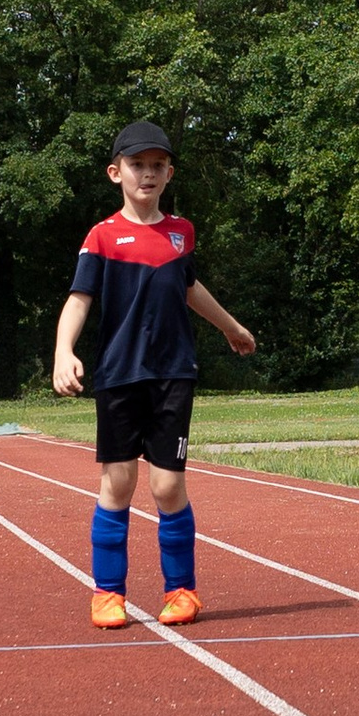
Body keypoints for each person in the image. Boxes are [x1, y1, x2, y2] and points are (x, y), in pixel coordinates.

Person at [53, 121, 257, 630]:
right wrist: (63, 350)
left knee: (168, 487)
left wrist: (231, 327)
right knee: (117, 484)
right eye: (137, 165)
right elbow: (79, 300)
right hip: (120, 374)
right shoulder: (102, 236)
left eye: (156, 165)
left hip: (172, 373)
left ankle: (181, 591)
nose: (147, 173)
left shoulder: (180, 232)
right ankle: (108, 595)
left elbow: (189, 287)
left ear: (169, 173)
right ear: (115, 172)